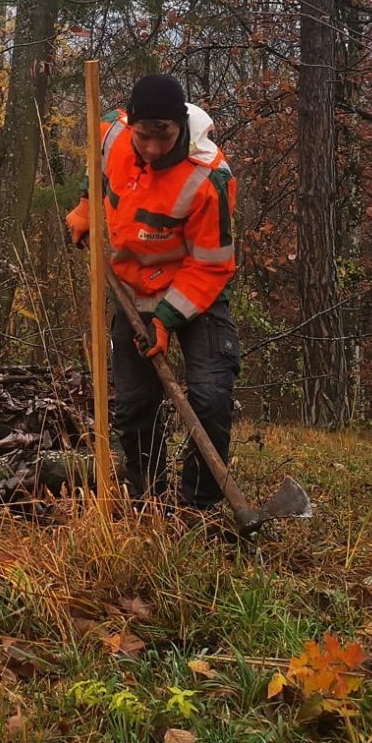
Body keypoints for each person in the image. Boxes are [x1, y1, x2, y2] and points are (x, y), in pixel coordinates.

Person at [64, 73, 239, 512]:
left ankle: (198, 506)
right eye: (145, 136)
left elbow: (211, 264)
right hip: (132, 288)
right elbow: (97, 167)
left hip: (194, 294)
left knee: (210, 395)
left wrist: (166, 319)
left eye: (165, 137)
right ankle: (148, 501)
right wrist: (88, 207)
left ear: (181, 125)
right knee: (135, 405)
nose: (154, 149)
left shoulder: (208, 178)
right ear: (132, 125)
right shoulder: (112, 134)